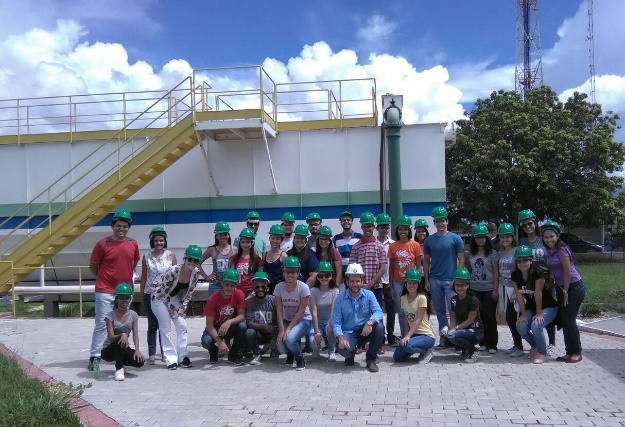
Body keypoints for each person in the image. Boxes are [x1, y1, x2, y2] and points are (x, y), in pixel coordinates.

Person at [88, 209, 140, 375]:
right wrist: (104, 280)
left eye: (125, 226)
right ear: (113, 226)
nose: (121, 229)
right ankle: (95, 356)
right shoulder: (102, 244)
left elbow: (133, 263)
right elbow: (93, 267)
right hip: (105, 290)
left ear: (128, 227)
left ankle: (120, 352)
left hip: (125, 291)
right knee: (102, 324)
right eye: (118, 225)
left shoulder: (133, 244)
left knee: (124, 324)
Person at [151, 245, 203, 369]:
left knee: (182, 325)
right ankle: (170, 359)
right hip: (159, 298)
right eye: (190, 259)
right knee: (165, 327)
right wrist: (171, 308)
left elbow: (189, 293)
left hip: (174, 298)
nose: (192, 263)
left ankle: (183, 356)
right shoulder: (173, 270)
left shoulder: (196, 273)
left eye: (195, 261)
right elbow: (163, 291)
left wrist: (181, 309)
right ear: (184, 259)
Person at [542, 221, 586, 364]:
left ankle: (577, 352)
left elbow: (567, 272)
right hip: (561, 288)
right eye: (546, 237)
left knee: (570, 320)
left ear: (558, 235)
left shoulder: (562, 250)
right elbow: (554, 271)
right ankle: (569, 352)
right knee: (564, 321)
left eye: (551, 236)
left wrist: (566, 290)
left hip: (573, 287)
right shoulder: (549, 251)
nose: (549, 239)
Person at [422, 206, 465, 348]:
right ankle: (443, 337)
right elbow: (426, 261)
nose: (440, 224)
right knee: (440, 310)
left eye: (442, 221)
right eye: (437, 221)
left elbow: (462, 259)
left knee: (454, 310)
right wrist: (427, 280)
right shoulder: (429, 241)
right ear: (434, 223)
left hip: (451, 280)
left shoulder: (455, 238)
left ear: (447, 221)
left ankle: (454, 336)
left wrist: (457, 279)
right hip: (435, 280)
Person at [332, 263, 384, 372]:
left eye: (357, 281)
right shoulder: (340, 299)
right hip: (349, 332)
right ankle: (350, 355)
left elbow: (378, 312)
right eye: (352, 281)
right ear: (347, 282)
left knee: (379, 327)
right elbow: (336, 323)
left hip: (366, 330)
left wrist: (369, 323)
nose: (355, 284)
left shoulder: (369, 295)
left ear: (362, 281)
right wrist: (341, 339)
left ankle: (371, 359)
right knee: (344, 349)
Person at [518, 209, 557, 356]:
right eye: (524, 225)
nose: (528, 227)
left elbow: (553, 260)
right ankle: (538, 343)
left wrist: (552, 278)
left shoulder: (544, 240)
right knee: (534, 310)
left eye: (530, 223)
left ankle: (551, 343)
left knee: (547, 310)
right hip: (530, 282)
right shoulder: (522, 242)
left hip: (547, 281)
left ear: (535, 222)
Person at [512, 245, 559, 364]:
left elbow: (538, 294)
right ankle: (535, 346)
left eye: (525, 260)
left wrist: (539, 313)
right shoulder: (515, 275)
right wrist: (522, 314)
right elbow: (519, 296)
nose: (522, 263)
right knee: (521, 326)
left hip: (548, 306)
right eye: (519, 261)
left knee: (536, 325)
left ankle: (543, 353)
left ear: (531, 261)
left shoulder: (538, 273)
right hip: (531, 307)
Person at [349, 212, 387, 355]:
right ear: (362, 227)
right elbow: (352, 268)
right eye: (365, 226)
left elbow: (383, 268)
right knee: (360, 315)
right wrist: (360, 284)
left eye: (370, 226)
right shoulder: (357, 246)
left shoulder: (379, 246)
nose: (367, 229)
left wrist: (370, 283)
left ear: (374, 227)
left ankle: (379, 343)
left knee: (377, 316)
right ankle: (361, 343)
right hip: (359, 289)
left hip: (375, 287)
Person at [140, 227, 177, 364]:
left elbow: (175, 275)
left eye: (161, 240)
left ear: (165, 241)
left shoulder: (171, 255)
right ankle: (151, 353)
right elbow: (144, 277)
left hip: (166, 295)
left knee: (164, 324)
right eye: (156, 240)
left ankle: (164, 352)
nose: (159, 243)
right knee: (153, 324)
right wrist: (142, 293)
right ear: (152, 241)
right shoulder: (146, 257)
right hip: (150, 294)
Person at [274, 256, 313, 371]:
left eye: (293, 272)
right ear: (283, 271)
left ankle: (300, 359)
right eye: (287, 271)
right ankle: (290, 355)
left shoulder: (304, 288)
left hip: (304, 319)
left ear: (298, 272)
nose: (290, 275)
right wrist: (281, 330)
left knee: (290, 339)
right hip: (287, 318)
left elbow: (301, 311)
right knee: (280, 346)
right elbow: (279, 310)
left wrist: (288, 329)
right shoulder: (278, 287)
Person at [201, 268, 247, 365]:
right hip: (216, 328)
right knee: (206, 341)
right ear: (222, 283)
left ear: (236, 285)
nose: (229, 288)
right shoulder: (212, 299)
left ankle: (233, 354)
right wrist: (219, 342)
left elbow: (242, 315)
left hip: (229, 328)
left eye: (232, 285)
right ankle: (213, 351)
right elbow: (209, 325)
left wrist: (229, 322)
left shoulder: (239, 294)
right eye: (227, 284)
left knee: (243, 326)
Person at [101, 283, 145, 381]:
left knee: (139, 361)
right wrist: (122, 334)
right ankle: (119, 369)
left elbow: (135, 335)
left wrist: (137, 350)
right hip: (109, 350)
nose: (124, 301)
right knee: (120, 341)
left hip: (123, 347)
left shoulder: (133, 315)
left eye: (127, 298)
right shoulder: (110, 316)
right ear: (116, 300)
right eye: (121, 298)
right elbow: (111, 337)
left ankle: (120, 361)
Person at [389, 214, 423, 339]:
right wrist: (392, 286)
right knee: (401, 311)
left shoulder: (415, 245)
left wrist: (418, 282)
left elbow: (419, 266)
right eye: (400, 229)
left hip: (412, 282)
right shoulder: (393, 246)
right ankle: (404, 334)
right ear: (397, 230)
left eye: (405, 229)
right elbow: (391, 267)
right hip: (398, 282)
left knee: (413, 309)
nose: (403, 231)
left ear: (409, 230)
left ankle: (415, 334)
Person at [467, 224, 499, 354]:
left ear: (486, 238)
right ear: (474, 239)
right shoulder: (471, 254)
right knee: (479, 317)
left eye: (483, 237)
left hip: (489, 288)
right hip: (475, 289)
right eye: (478, 237)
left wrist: (495, 290)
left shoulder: (493, 253)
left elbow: (496, 273)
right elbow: (469, 271)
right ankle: (483, 341)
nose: (480, 240)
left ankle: (492, 343)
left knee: (490, 316)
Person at [392, 269, 435, 364]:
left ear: (418, 284)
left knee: (407, 346)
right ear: (405, 284)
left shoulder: (422, 298)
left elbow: (419, 319)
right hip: (414, 334)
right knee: (397, 357)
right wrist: (405, 336)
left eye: (414, 283)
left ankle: (426, 352)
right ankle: (413, 347)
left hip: (426, 336)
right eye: (409, 283)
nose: (411, 286)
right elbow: (406, 318)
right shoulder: (403, 298)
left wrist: (407, 337)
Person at [495, 223, 524, 358]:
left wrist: (515, 291)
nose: (505, 239)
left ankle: (520, 346)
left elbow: (520, 271)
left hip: (515, 288)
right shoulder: (499, 253)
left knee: (513, 317)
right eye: (502, 237)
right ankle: (516, 344)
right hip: (503, 287)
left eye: (507, 237)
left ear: (513, 237)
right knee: (509, 318)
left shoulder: (517, 251)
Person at [444, 268, 484, 363]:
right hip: (463, 330)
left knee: (453, 336)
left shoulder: (473, 300)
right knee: (451, 335)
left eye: (462, 285)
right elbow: (454, 317)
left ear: (467, 285)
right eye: (457, 285)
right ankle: (465, 350)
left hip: (476, 331)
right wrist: (450, 329)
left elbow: (470, 320)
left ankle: (474, 351)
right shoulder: (454, 299)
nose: (459, 288)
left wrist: (455, 329)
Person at [309, 261, 340, 361]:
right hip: (316, 322)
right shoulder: (313, 291)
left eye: (327, 275)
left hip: (328, 321)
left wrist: (331, 325)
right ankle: (316, 350)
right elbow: (314, 311)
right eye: (321, 276)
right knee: (313, 342)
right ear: (317, 277)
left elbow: (333, 309)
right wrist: (317, 331)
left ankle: (331, 350)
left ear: (331, 276)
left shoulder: (335, 290)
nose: (324, 278)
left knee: (334, 331)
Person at [245, 272, 277, 366]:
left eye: (263, 287)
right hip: (258, 333)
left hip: (272, 333)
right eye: (257, 287)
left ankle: (272, 348)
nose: (260, 289)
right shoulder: (250, 302)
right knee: (249, 332)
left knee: (279, 351)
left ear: (267, 287)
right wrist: (265, 326)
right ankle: (257, 353)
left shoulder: (274, 300)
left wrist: (275, 336)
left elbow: (280, 320)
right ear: (253, 288)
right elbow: (249, 322)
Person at [375, 213, 397, 348]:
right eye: (381, 227)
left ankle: (391, 335)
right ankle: (380, 336)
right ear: (377, 228)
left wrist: (392, 281)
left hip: (389, 281)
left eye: (386, 227)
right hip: (377, 282)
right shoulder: (373, 242)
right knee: (377, 311)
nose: (384, 230)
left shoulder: (393, 245)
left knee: (390, 310)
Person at [201, 221, 236, 297]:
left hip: (230, 285)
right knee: (215, 307)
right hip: (215, 285)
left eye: (225, 234)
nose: (223, 236)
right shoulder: (212, 250)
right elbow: (197, 263)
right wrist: (205, 276)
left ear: (228, 235)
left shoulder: (235, 250)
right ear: (216, 236)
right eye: (220, 234)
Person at [230, 227, 264, 297]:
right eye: (243, 242)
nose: (245, 244)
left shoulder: (257, 259)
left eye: (248, 242)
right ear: (240, 243)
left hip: (252, 292)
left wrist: (255, 291)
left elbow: (259, 277)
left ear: (252, 243)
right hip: (238, 290)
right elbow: (232, 277)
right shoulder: (235, 258)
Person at [333, 211, 362, 280]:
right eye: (344, 220)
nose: (346, 222)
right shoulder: (336, 238)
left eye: (348, 220)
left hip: (355, 272)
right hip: (341, 273)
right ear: (341, 223)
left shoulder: (359, 237)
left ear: (352, 222)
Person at [264, 224, 288, 294]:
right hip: (266, 290)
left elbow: (286, 274)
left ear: (281, 240)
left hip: (279, 291)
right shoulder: (264, 254)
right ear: (269, 238)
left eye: (277, 238)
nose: (275, 241)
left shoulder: (283, 256)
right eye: (273, 238)